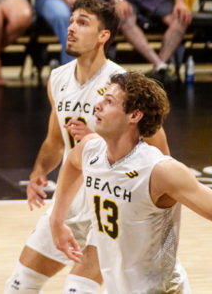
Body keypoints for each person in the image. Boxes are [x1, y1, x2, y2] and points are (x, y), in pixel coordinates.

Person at [5, 0, 168, 294]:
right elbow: (55, 141)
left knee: (78, 289)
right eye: (71, 22)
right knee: (18, 286)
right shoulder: (58, 78)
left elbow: (159, 150)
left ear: (103, 36)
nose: (71, 28)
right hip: (71, 200)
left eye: (82, 22)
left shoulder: (122, 86)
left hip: (111, 202)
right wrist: (38, 172)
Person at [50, 72, 212, 293]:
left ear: (134, 115)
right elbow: (71, 163)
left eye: (109, 102)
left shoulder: (160, 170)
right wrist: (57, 220)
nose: (97, 106)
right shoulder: (90, 150)